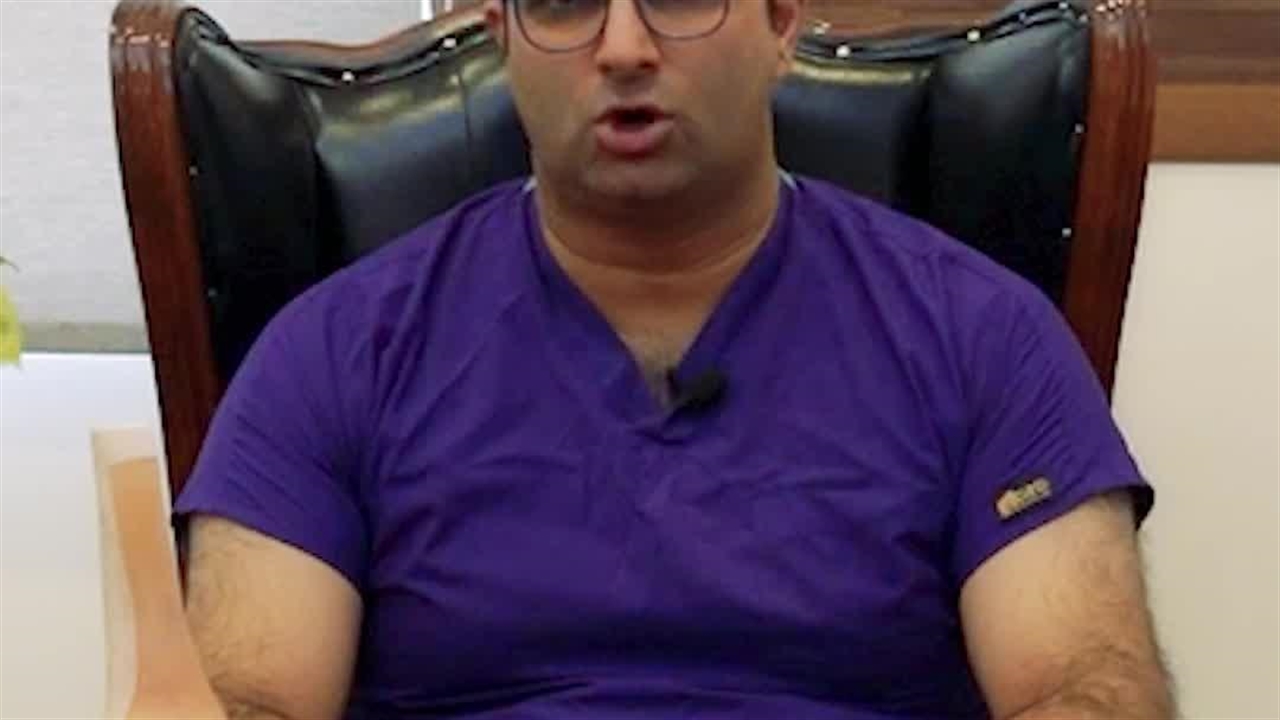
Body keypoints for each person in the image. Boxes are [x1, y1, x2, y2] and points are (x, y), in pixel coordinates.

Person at [173, 0, 1176, 718]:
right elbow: (248, 696)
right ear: (500, 37)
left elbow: (1084, 685)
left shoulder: (980, 334)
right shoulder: (333, 351)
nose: (622, 47)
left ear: (780, 22)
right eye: (563, 5)